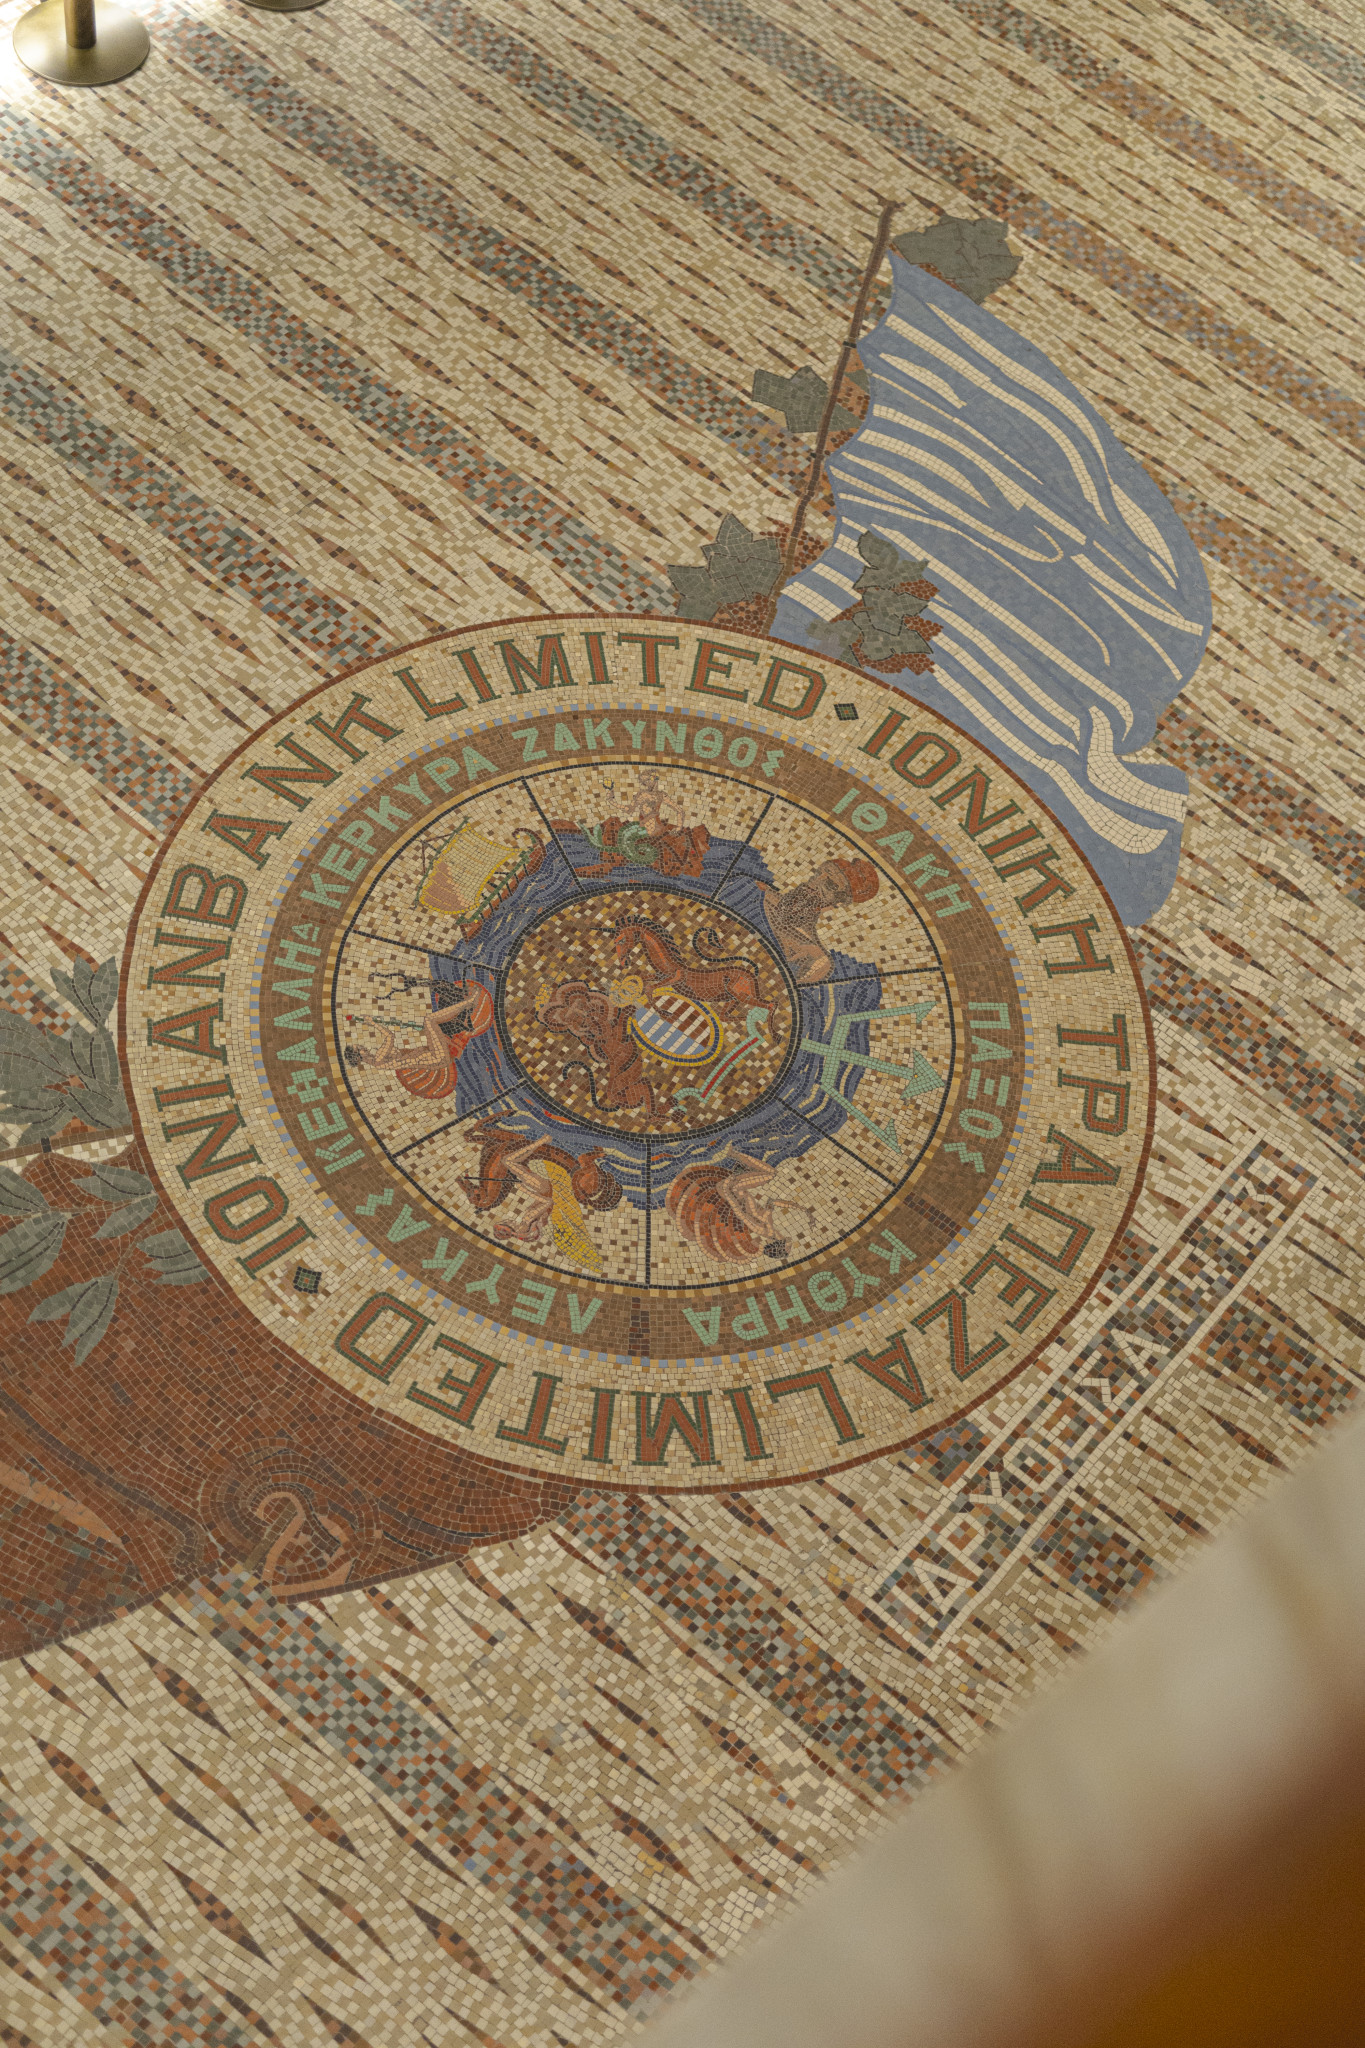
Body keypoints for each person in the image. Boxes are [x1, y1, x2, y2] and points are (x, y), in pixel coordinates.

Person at [343, 984, 493, 1100]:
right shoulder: (378, 1059)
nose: (362, 1046)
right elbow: (389, 1036)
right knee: (429, 1020)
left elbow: (399, 1052)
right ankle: (469, 1002)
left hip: (433, 1055)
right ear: (358, 1056)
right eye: (359, 1048)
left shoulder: (379, 1058)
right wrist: (373, 1024)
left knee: (431, 1024)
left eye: (358, 1046)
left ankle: (464, 1007)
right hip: (437, 1057)